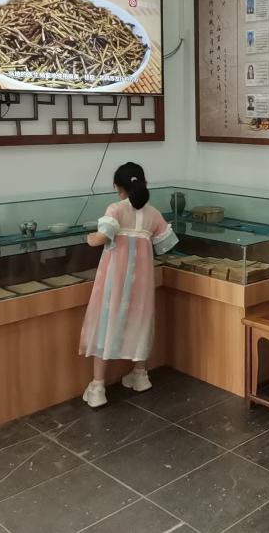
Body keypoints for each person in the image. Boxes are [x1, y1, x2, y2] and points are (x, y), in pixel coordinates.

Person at [79, 163, 177, 408]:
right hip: (141, 281)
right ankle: (140, 375)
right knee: (139, 322)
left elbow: (102, 236)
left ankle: (98, 387)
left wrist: (89, 238)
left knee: (106, 323)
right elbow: (166, 244)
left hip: (114, 280)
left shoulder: (116, 209)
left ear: (118, 187)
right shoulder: (153, 213)